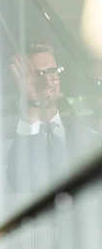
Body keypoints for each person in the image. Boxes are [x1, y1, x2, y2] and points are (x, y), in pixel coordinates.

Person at [7, 42, 98, 192]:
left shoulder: (86, 129)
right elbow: (18, 180)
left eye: (52, 71)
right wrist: (33, 101)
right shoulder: (19, 134)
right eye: (38, 74)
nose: (48, 81)